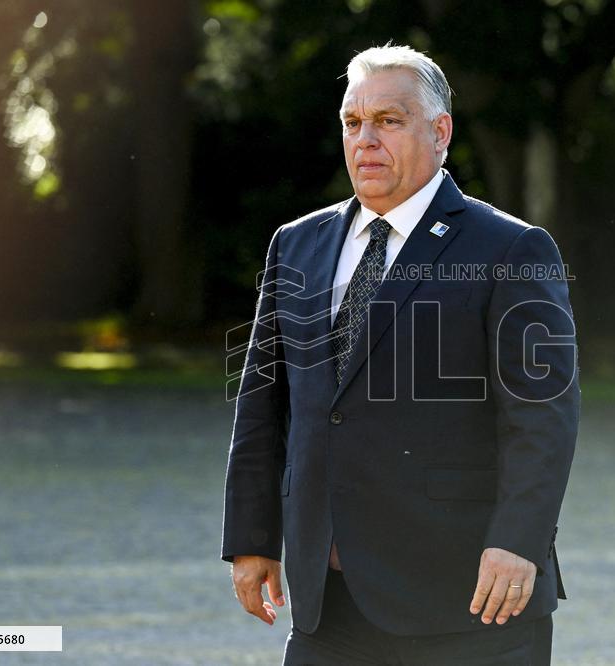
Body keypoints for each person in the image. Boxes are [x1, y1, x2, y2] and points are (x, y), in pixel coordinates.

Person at [222, 44, 580, 665]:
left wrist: (519, 541)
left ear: (440, 132)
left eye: (388, 120)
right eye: (353, 123)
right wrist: (253, 537)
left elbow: (542, 418)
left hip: (469, 600)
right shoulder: (296, 245)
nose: (366, 139)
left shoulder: (511, 249)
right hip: (328, 603)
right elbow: (263, 404)